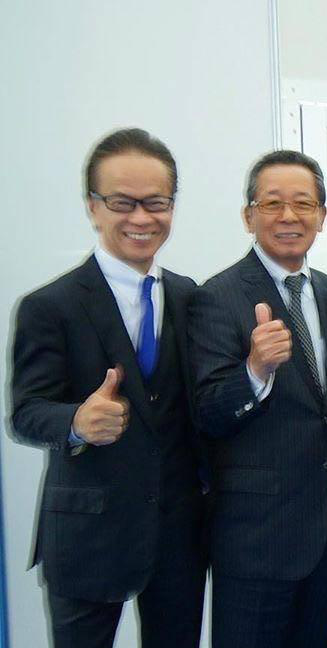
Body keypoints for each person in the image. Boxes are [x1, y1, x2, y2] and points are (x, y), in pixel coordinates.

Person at [10, 128, 207, 648]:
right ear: (93, 206)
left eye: (156, 203)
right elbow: (25, 413)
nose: (141, 218)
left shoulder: (190, 297)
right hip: (88, 536)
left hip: (178, 535)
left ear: (172, 206)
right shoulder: (49, 306)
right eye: (123, 202)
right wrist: (75, 422)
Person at [188, 150, 327, 648]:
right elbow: (207, 413)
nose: (288, 216)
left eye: (304, 203)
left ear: (322, 215)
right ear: (248, 215)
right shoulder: (217, 296)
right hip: (255, 538)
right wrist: (254, 370)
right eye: (272, 203)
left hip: (325, 531)